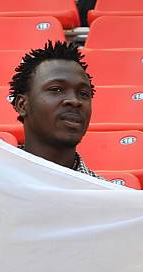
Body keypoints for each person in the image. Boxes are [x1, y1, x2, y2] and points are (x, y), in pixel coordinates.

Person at [9, 40, 101, 178]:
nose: (75, 101)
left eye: (83, 94)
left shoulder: (108, 196)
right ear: (22, 105)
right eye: (56, 89)